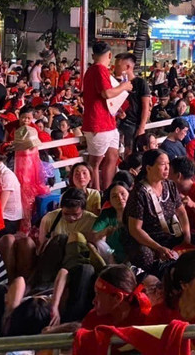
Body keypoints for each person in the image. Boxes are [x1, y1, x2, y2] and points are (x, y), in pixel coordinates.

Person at [123, 150, 191, 274]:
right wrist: (159, 248)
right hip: (147, 240)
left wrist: (187, 236)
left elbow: (181, 212)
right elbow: (135, 229)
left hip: (169, 235)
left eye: (168, 164)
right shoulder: (139, 193)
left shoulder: (170, 186)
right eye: (162, 164)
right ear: (148, 168)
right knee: (145, 255)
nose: (167, 168)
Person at [82, 42, 132, 190]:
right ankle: (97, 194)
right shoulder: (99, 69)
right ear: (109, 55)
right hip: (99, 123)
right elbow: (107, 93)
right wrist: (124, 86)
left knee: (112, 156)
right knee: (95, 162)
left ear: (93, 55)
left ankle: (108, 190)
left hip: (107, 122)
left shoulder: (94, 70)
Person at [81, 264, 152, 328]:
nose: (93, 301)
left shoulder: (147, 321)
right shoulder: (93, 318)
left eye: (98, 294)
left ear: (118, 297)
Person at [115, 53, 151, 155]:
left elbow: (145, 107)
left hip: (133, 124)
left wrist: (142, 127)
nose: (115, 68)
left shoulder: (140, 83)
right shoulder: (117, 83)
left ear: (127, 67)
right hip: (118, 121)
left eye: (118, 65)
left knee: (130, 151)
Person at [90, 182, 130, 263]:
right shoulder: (107, 215)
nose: (119, 198)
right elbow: (92, 236)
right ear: (110, 201)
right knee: (98, 242)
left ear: (130, 194)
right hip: (111, 252)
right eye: (114, 196)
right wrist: (104, 232)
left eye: (123, 194)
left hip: (133, 253)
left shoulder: (137, 212)